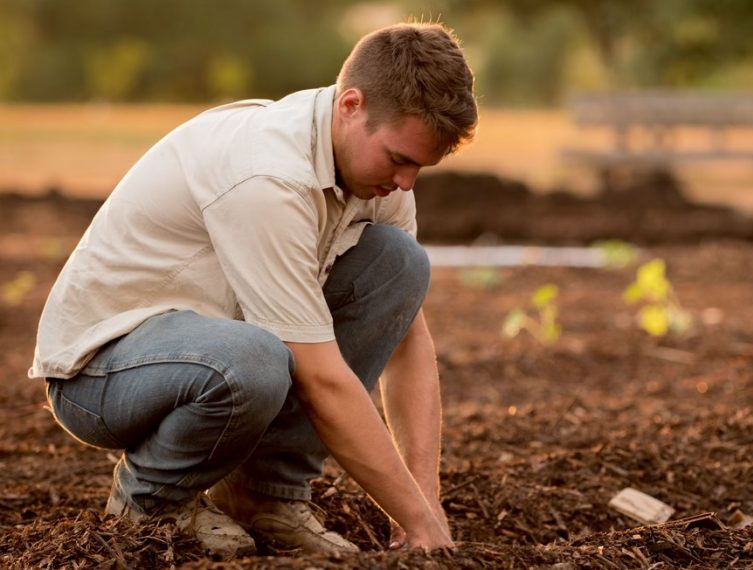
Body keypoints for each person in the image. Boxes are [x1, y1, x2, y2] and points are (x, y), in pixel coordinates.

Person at [29, 22, 477, 559]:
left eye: (420, 167)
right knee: (256, 359)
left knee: (399, 264)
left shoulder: (376, 178)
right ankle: (152, 501)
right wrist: (412, 516)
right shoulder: (267, 175)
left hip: (212, 347)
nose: (406, 183)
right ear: (351, 105)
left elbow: (407, 341)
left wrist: (426, 501)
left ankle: (264, 495)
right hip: (101, 372)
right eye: (399, 159)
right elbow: (321, 380)